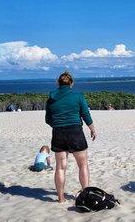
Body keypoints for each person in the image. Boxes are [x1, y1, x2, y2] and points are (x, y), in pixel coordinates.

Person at [45, 71, 97, 203]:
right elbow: (86, 115)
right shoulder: (78, 97)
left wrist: (58, 125)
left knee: (60, 167)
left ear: (58, 83)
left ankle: (61, 198)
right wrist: (92, 129)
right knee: (83, 165)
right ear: (71, 83)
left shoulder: (51, 99)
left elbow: (48, 119)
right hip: (75, 132)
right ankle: (86, 195)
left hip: (58, 133)